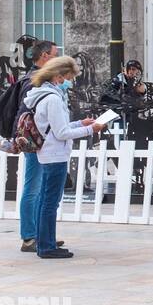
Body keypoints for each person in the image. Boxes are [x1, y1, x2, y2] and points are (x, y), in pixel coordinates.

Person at [23, 56, 105, 259]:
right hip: (55, 154)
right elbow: (61, 133)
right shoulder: (52, 98)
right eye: (68, 77)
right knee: (50, 203)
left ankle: (45, 242)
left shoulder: (43, 94)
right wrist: (90, 130)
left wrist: (80, 123)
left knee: (45, 200)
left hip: (48, 153)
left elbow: (56, 127)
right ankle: (47, 247)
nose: (70, 81)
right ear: (59, 76)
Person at [17, 40, 58, 253]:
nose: (58, 59)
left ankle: (41, 235)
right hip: (35, 141)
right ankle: (29, 237)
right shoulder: (33, 80)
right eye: (55, 55)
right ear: (44, 56)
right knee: (33, 188)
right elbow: (23, 113)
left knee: (40, 188)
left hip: (43, 141)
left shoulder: (42, 79)